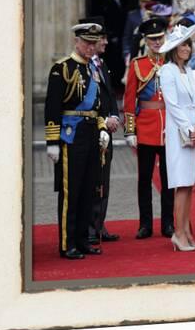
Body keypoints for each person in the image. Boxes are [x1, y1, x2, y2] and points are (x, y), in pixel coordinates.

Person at [44, 22, 110, 259]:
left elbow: (99, 105)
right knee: (71, 190)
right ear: (77, 41)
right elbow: (52, 108)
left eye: (94, 43)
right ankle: (67, 243)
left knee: (89, 190)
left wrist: (102, 128)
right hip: (71, 136)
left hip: (92, 133)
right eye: (88, 43)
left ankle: (83, 240)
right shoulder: (62, 69)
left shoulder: (93, 70)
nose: (92, 47)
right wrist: (52, 142)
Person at [123, 17, 175, 239]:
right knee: (144, 179)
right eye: (152, 39)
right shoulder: (137, 64)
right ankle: (145, 224)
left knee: (168, 180)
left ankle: (168, 223)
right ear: (145, 40)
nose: (156, 42)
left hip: (169, 128)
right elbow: (129, 99)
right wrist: (130, 130)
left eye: (160, 38)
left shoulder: (171, 62)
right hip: (145, 127)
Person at [158, 24, 195, 251]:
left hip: (191, 133)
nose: (187, 48)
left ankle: (186, 231)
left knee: (189, 185)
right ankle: (178, 232)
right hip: (178, 134)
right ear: (174, 48)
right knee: (180, 183)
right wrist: (189, 128)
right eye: (183, 44)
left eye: (188, 44)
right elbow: (172, 104)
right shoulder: (167, 70)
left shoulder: (187, 71)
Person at [77, 17, 121, 245]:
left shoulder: (101, 64)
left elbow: (110, 95)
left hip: (107, 131)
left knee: (104, 179)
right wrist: (103, 120)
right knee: (91, 180)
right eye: (102, 38)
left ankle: (98, 224)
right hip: (91, 131)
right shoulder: (80, 65)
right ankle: (89, 227)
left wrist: (114, 116)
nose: (105, 42)